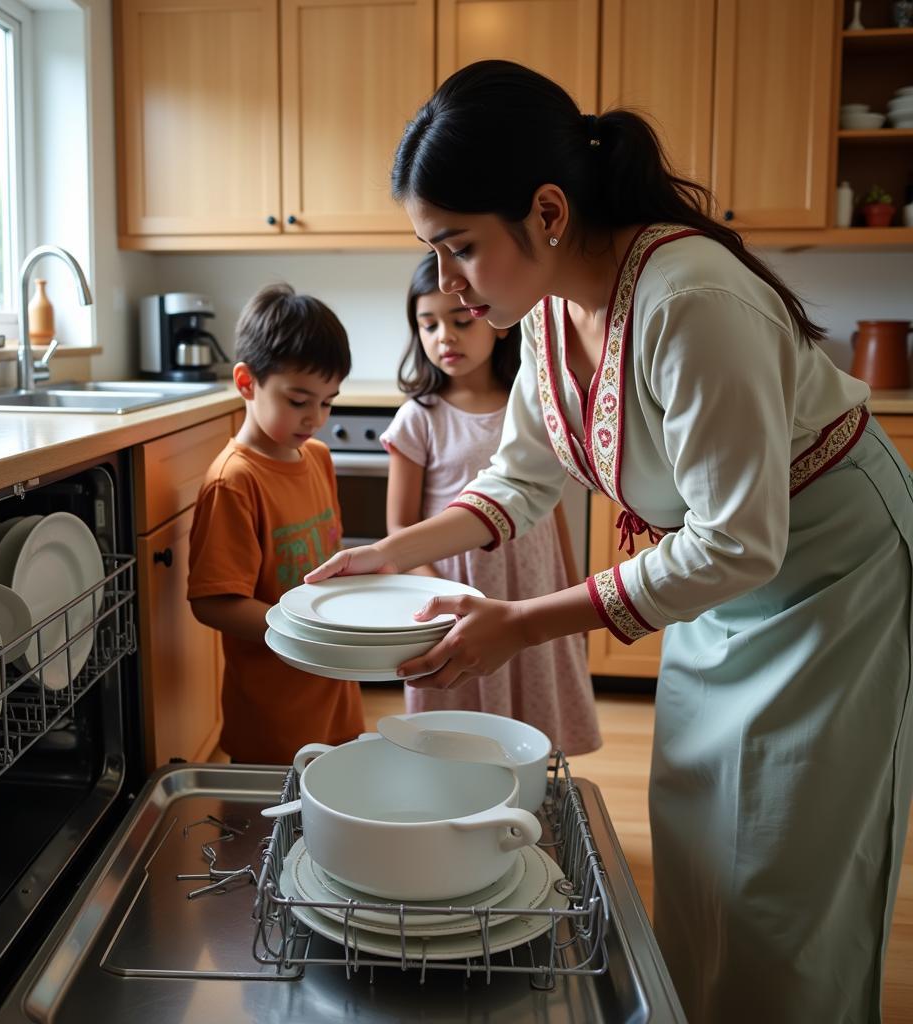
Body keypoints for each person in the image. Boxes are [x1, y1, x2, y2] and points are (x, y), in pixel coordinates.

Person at [306, 60, 913, 1024]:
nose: (452, 287)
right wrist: (397, 549)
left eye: (459, 247)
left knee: (787, 866)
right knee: (702, 825)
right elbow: (519, 478)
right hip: (723, 571)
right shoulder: (547, 317)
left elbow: (737, 541)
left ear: (547, 211)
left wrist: (525, 622)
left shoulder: (689, 300)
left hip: (830, 571)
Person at [380, 252, 601, 756]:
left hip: (532, 584)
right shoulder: (420, 417)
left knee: (534, 711)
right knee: (462, 726)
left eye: (459, 321)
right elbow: (399, 524)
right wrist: (445, 596)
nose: (444, 337)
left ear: (497, 323)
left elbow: (551, 506)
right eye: (428, 324)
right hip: (459, 592)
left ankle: (529, 800)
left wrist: (570, 586)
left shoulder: (532, 402)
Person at [187, 283, 365, 765]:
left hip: (334, 693)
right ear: (247, 383)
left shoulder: (318, 459)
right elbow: (212, 603)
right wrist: (303, 628)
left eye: (327, 402)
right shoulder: (234, 482)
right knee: (271, 833)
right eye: (299, 400)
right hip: (272, 713)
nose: (315, 419)